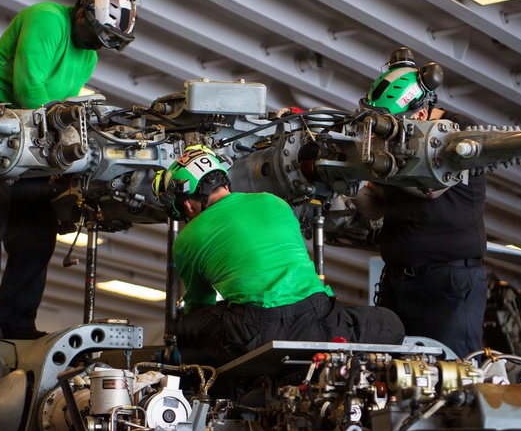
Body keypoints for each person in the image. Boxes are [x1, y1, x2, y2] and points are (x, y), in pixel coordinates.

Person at [0, 0, 143, 340]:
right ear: (85, 12)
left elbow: (57, 103)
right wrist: (59, 135)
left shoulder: (88, 55)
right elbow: (27, 86)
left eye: (108, 42)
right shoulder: (47, 19)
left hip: (34, 124)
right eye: (98, 35)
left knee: (37, 229)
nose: (97, 46)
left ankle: (16, 323)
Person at [154, 145, 405, 366]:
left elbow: (200, 304)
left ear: (187, 204)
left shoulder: (187, 239)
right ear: (224, 181)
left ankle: (212, 388)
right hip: (319, 318)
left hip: (255, 330)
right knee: (391, 322)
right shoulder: (275, 202)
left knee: (186, 324)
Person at [354, 48, 487, 358]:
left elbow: (430, 188)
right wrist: (349, 183)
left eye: (390, 128)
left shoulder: (460, 136)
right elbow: (375, 203)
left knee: (452, 375)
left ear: (421, 115)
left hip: (449, 285)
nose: (384, 138)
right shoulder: (388, 146)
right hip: (398, 281)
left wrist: (377, 163)